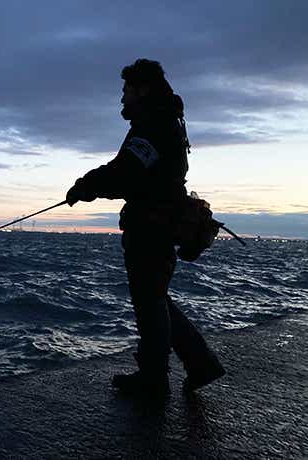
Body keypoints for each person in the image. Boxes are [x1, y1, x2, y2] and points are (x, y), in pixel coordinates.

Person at [66, 58, 225, 398]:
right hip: (158, 222)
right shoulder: (165, 120)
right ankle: (201, 363)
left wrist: (85, 186)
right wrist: (91, 185)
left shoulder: (153, 124)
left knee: (148, 300)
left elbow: (126, 172)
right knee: (155, 298)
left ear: (143, 89)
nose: (122, 98)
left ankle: (154, 380)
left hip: (151, 226)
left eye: (126, 90)